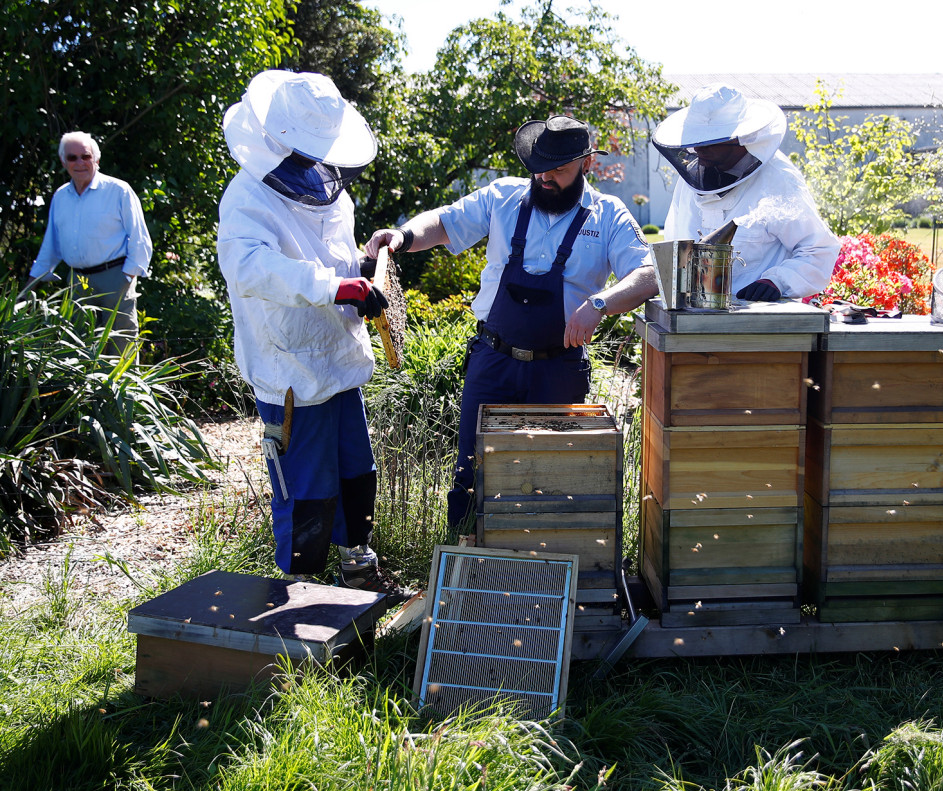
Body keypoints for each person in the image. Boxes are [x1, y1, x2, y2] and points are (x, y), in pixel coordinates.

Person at [365, 115, 659, 530]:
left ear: (587, 165)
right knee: (472, 474)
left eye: (559, 169)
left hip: (560, 369)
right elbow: (445, 222)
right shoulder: (502, 197)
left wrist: (600, 302)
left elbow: (649, 275)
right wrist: (403, 236)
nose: (545, 177)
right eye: (540, 166)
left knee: (553, 479)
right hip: (492, 362)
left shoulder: (609, 215)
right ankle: (467, 566)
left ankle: (543, 576)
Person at [217, 70, 395, 592]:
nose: (312, 161)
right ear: (277, 137)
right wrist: (336, 289)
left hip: (340, 358)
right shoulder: (247, 197)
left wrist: (361, 272)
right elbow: (250, 268)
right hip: (290, 365)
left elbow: (335, 257)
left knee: (355, 475)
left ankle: (359, 570)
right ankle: (301, 597)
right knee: (307, 489)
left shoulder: (330, 192)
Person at [651, 84, 839, 302]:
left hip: (760, 323)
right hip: (694, 317)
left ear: (739, 137)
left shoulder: (778, 178)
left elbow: (818, 249)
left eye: (710, 141)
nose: (699, 150)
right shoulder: (690, 180)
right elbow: (674, 245)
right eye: (695, 140)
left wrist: (778, 281)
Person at [27, 131, 153, 348]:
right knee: (78, 349)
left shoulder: (118, 190)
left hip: (115, 278)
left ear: (96, 159)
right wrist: (31, 283)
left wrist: (127, 277)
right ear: (63, 162)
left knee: (120, 348)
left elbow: (140, 237)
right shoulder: (60, 197)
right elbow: (52, 245)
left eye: (85, 156)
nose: (79, 163)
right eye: (72, 157)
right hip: (77, 283)